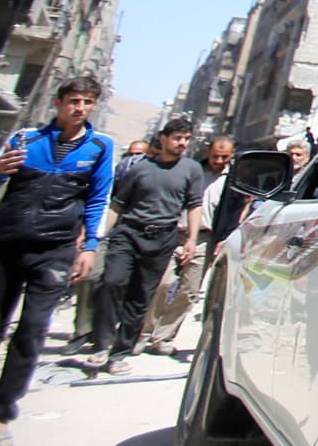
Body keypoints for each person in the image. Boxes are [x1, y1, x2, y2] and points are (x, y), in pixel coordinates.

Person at [0, 77, 114, 443]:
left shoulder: (101, 147)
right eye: (73, 100)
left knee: (32, 331)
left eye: (87, 102)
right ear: (58, 103)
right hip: (6, 245)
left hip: (54, 250)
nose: (80, 108)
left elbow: (99, 199)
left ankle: (3, 411)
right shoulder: (25, 140)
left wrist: (89, 247)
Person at [86, 119, 203, 375]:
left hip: (161, 240)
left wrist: (191, 240)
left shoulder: (192, 170)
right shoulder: (140, 169)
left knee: (140, 298)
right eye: (177, 138)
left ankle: (119, 353)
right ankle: (102, 344)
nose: (182, 143)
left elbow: (194, 205)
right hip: (128, 234)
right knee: (111, 283)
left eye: (186, 138)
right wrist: (98, 239)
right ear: (163, 139)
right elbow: (117, 205)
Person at [139, 136, 234, 355]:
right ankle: (144, 333)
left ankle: (163, 337)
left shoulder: (232, 179)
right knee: (162, 285)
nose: (218, 161)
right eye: (215, 156)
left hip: (205, 238)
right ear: (207, 153)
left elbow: (238, 207)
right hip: (175, 234)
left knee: (189, 290)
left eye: (224, 157)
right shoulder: (191, 171)